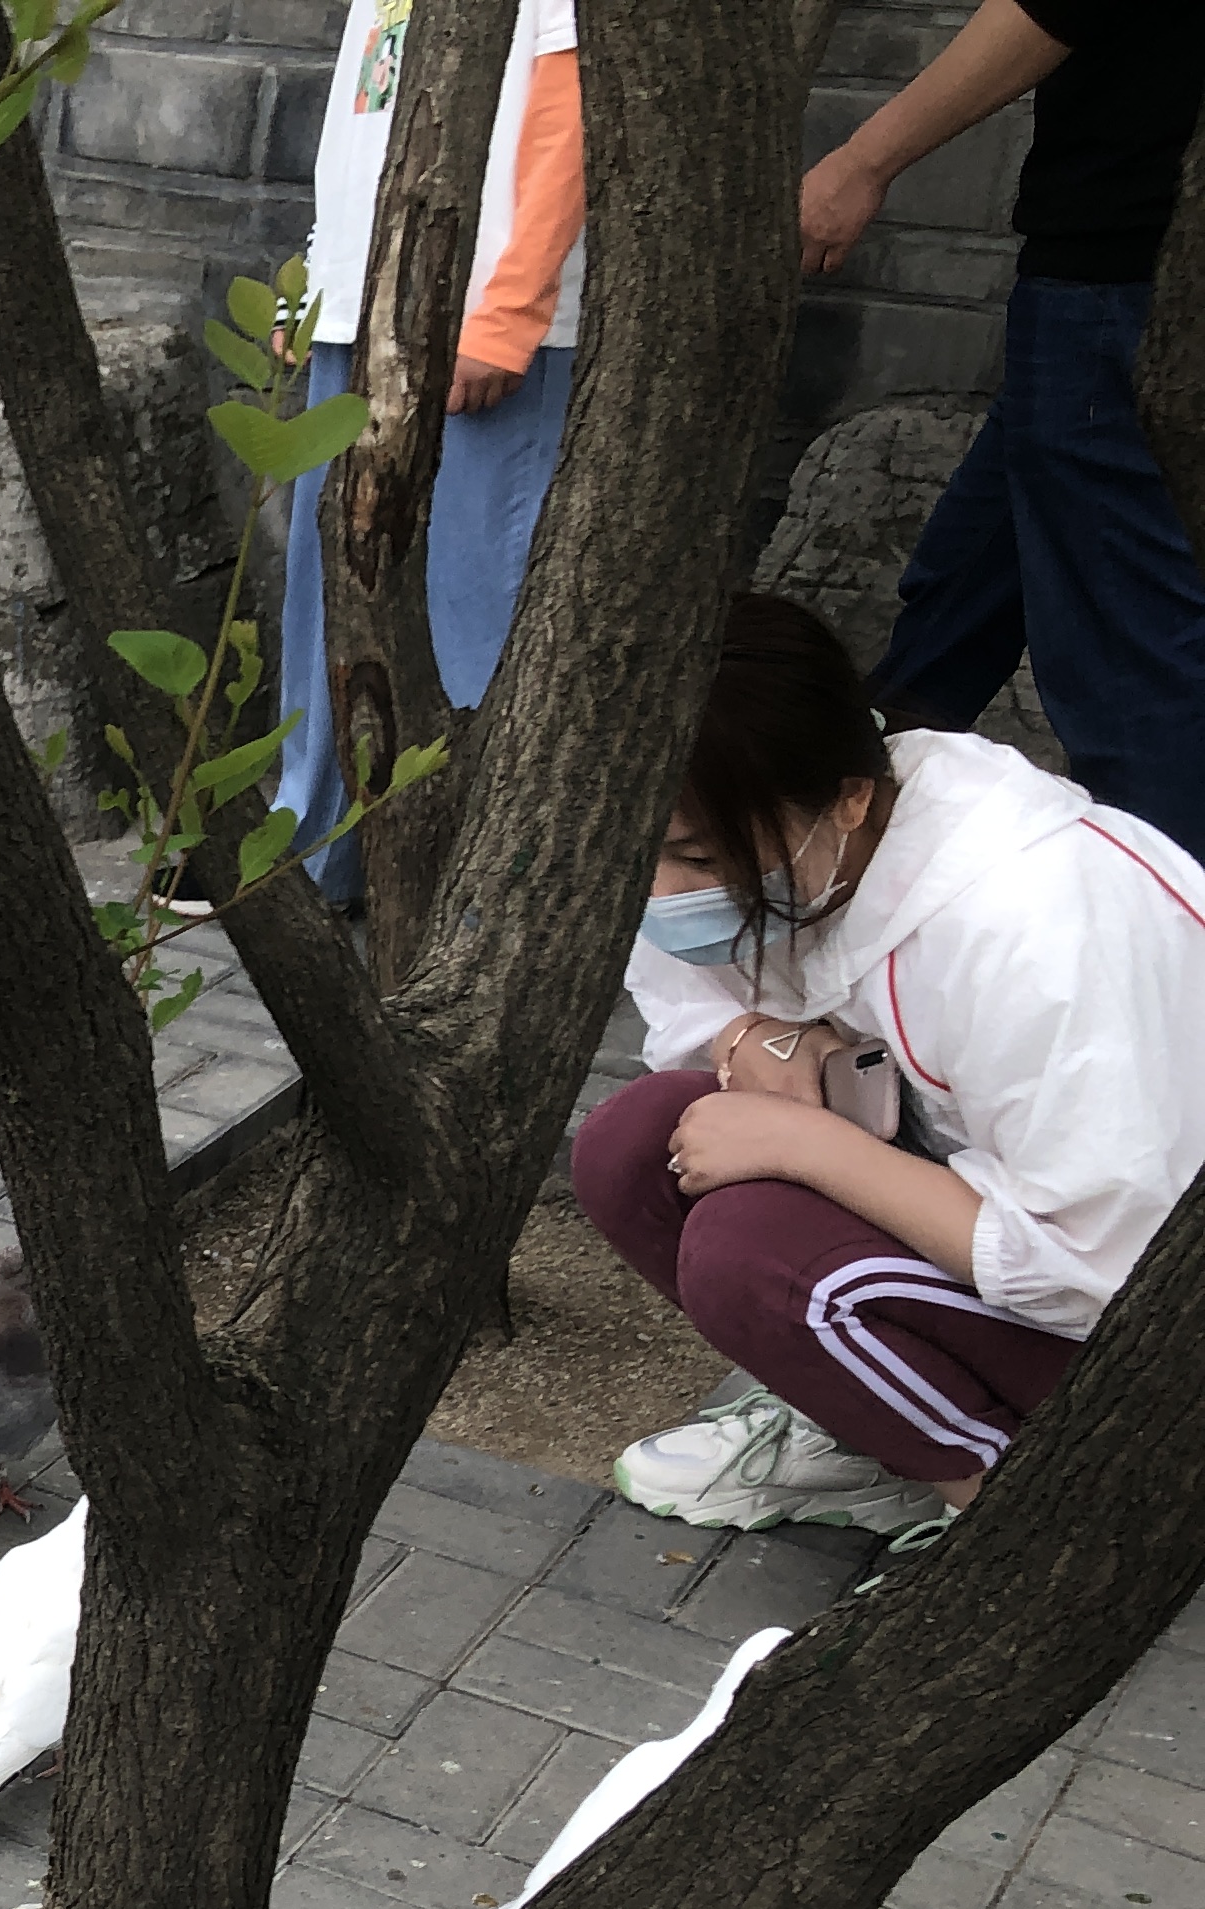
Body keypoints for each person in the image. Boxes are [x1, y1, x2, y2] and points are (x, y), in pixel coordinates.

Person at [577, 594, 1205, 1544]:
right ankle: (879, 1438)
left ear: (850, 798)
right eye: (648, 857)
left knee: (756, 1253)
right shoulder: (809, 842)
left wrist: (808, 1143)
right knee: (634, 1145)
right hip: (1008, 1224)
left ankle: (1024, 1527)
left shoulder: (1033, 928)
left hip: (1158, 1334)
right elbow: (684, 998)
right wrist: (756, 1042)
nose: (665, 897)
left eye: (697, 858)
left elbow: (1111, 1272)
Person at [801, 0, 1205, 856]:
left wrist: (864, 160)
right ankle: (833, 828)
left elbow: (1048, 11)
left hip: (1118, 271)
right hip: (1110, 276)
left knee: (1124, 658)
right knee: (962, 591)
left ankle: (1169, 931)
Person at [271, 0, 589, 904]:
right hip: (355, 300)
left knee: (469, 616)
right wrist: (313, 278)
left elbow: (572, 104)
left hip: (477, 315)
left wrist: (515, 307)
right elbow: (359, 124)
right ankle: (313, 852)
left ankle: (463, 884)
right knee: (326, 588)